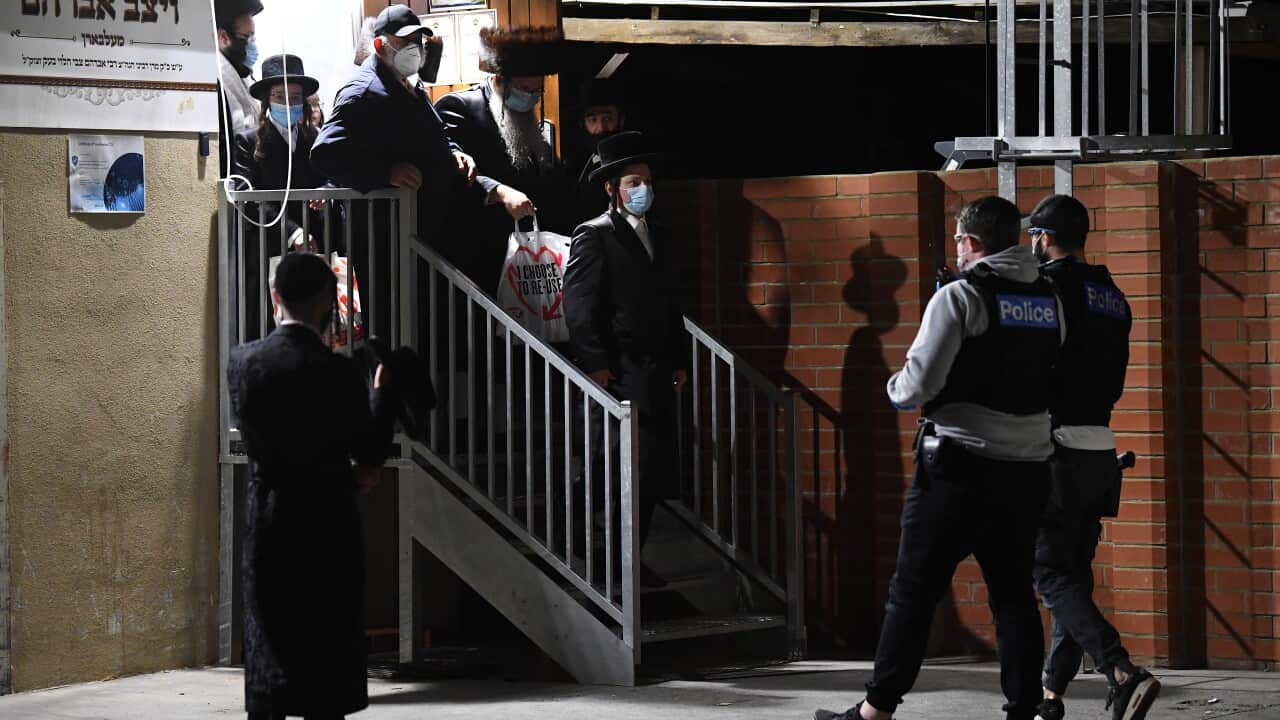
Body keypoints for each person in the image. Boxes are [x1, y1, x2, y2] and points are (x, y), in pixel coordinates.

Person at [814, 196, 1064, 720]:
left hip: (958, 469)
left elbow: (915, 387)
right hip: (1026, 470)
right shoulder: (1048, 299)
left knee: (912, 594)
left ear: (970, 243)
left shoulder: (960, 297)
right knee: (1014, 596)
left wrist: (895, 385)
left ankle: (877, 709)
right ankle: (1025, 709)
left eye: (958, 240)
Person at [227, 252, 398, 720]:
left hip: (270, 519)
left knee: (272, 638)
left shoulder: (241, 364)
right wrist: (380, 394)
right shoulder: (341, 374)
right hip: (329, 522)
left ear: (274, 294)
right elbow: (368, 453)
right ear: (328, 300)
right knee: (326, 647)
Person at [1026, 195, 1160, 720]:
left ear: (1044, 237)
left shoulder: (1050, 289)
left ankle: (1120, 669)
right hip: (1099, 447)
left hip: (1056, 446)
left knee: (1047, 572)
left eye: (1033, 235)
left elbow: (1034, 363)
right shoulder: (1114, 295)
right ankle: (1052, 696)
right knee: (1071, 575)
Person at [562, 131, 688, 573]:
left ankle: (628, 559)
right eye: (633, 181)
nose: (643, 189)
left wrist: (678, 358)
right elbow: (579, 305)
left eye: (647, 181)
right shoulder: (594, 235)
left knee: (651, 473)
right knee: (612, 466)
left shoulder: (658, 234)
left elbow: (671, 302)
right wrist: (595, 363)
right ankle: (585, 539)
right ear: (611, 188)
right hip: (619, 369)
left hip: (655, 370)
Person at [311, 3, 477, 244]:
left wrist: (452, 152)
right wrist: (385, 173)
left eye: (417, 41)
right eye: (404, 41)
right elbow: (326, 153)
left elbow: (431, 132)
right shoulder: (362, 93)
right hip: (384, 238)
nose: (414, 49)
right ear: (380, 45)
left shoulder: (409, 82)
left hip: (422, 228)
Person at [435, 25, 568, 286]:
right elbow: (447, 169)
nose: (531, 98)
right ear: (499, 79)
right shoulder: (458, 107)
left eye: (536, 91)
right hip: (477, 256)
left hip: (527, 261)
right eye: (524, 89)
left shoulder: (529, 121)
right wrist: (497, 191)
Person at [233, 54, 327, 250]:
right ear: (268, 99)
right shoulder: (248, 141)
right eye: (279, 96)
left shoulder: (314, 138)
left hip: (314, 241)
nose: (288, 104)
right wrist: (293, 232)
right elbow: (247, 197)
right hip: (269, 244)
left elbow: (332, 176)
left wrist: (325, 191)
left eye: (295, 97)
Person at [569, 77, 627, 223]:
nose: (601, 128)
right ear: (582, 124)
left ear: (621, 120)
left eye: (607, 118)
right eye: (592, 120)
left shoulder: (633, 162)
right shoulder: (574, 164)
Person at [215, 0, 265, 139]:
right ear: (224, 37)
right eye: (246, 37)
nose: (252, 45)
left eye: (253, 38)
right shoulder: (216, 81)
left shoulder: (242, 74)